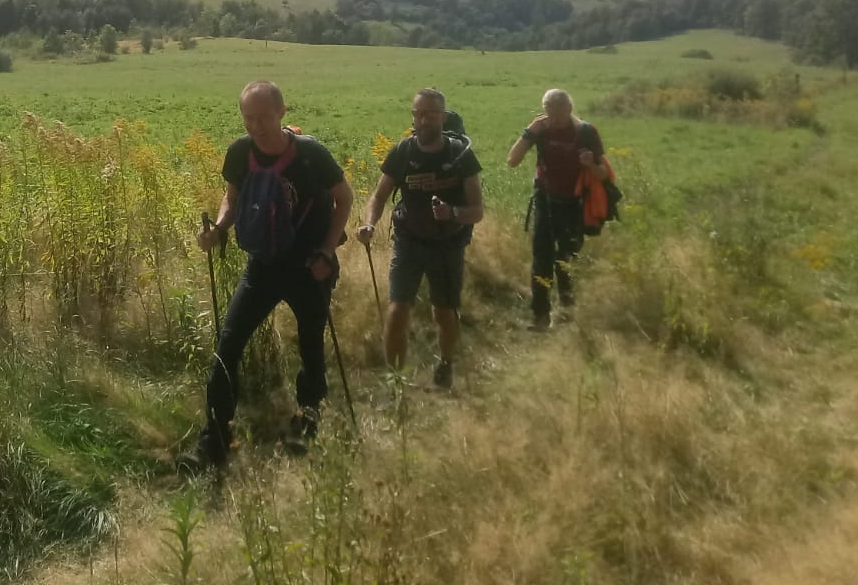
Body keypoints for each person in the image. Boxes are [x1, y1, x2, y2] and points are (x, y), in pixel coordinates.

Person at [182, 80, 353, 471]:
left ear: (281, 113)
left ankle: (307, 418)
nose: (255, 126)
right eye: (248, 118)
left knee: (310, 343)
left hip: (309, 266)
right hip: (262, 265)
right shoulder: (240, 152)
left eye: (263, 117)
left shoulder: (310, 154)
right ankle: (215, 438)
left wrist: (327, 251)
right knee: (228, 345)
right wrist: (219, 228)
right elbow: (232, 197)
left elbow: (343, 198)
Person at [356, 88, 483, 388]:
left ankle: (446, 364)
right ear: (413, 116)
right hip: (408, 242)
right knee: (398, 310)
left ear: (443, 116)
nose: (424, 120)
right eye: (419, 114)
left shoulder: (460, 155)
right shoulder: (403, 152)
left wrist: (452, 213)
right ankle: (396, 383)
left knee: (444, 312)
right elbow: (379, 196)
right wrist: (369, 224)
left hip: (447, 245)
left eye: (431, 114)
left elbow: (477, 210)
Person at [505, 88, 606, 331]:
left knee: (567, 259)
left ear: (569, 109)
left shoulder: (586, 132)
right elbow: (512, 161)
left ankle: (567, 312)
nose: (555, 120)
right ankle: (540, 316)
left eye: (559, 115)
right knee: (542, 259)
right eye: (550, 114)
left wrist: (590, 164)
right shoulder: (540, 129)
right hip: (546, 201)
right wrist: (529, 132)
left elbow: (603, 174)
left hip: (574, 203)